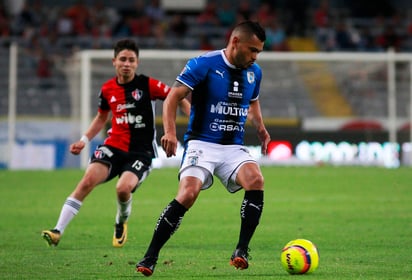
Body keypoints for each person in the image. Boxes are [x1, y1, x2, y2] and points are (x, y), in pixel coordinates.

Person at [136, 20, 271, 276]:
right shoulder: (204, 64)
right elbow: (173, 97)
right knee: (188, 194)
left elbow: (253, 101)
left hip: (233, 146)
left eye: (259, 52)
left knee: (256, 180)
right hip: (201, 143)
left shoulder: (255, 72)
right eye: (252, 50)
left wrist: (261, 128)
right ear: (235, 42)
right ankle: (150, 256)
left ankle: (241, 250)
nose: (255, 57)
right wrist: (170, 132)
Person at [41, 38, 190, 248]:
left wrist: (192, 121)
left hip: (141, 152)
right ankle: (57, 230)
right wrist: (84, 140)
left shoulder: (148, 85)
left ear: (137, 63)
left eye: (131, 60)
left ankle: (121, 221)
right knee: (86, 182)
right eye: (123, 59)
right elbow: (101, 118)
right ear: (114, 62)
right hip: (113, 146)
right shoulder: (108, 89)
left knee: (122, 189)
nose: (126, 63)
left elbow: (177, 96)